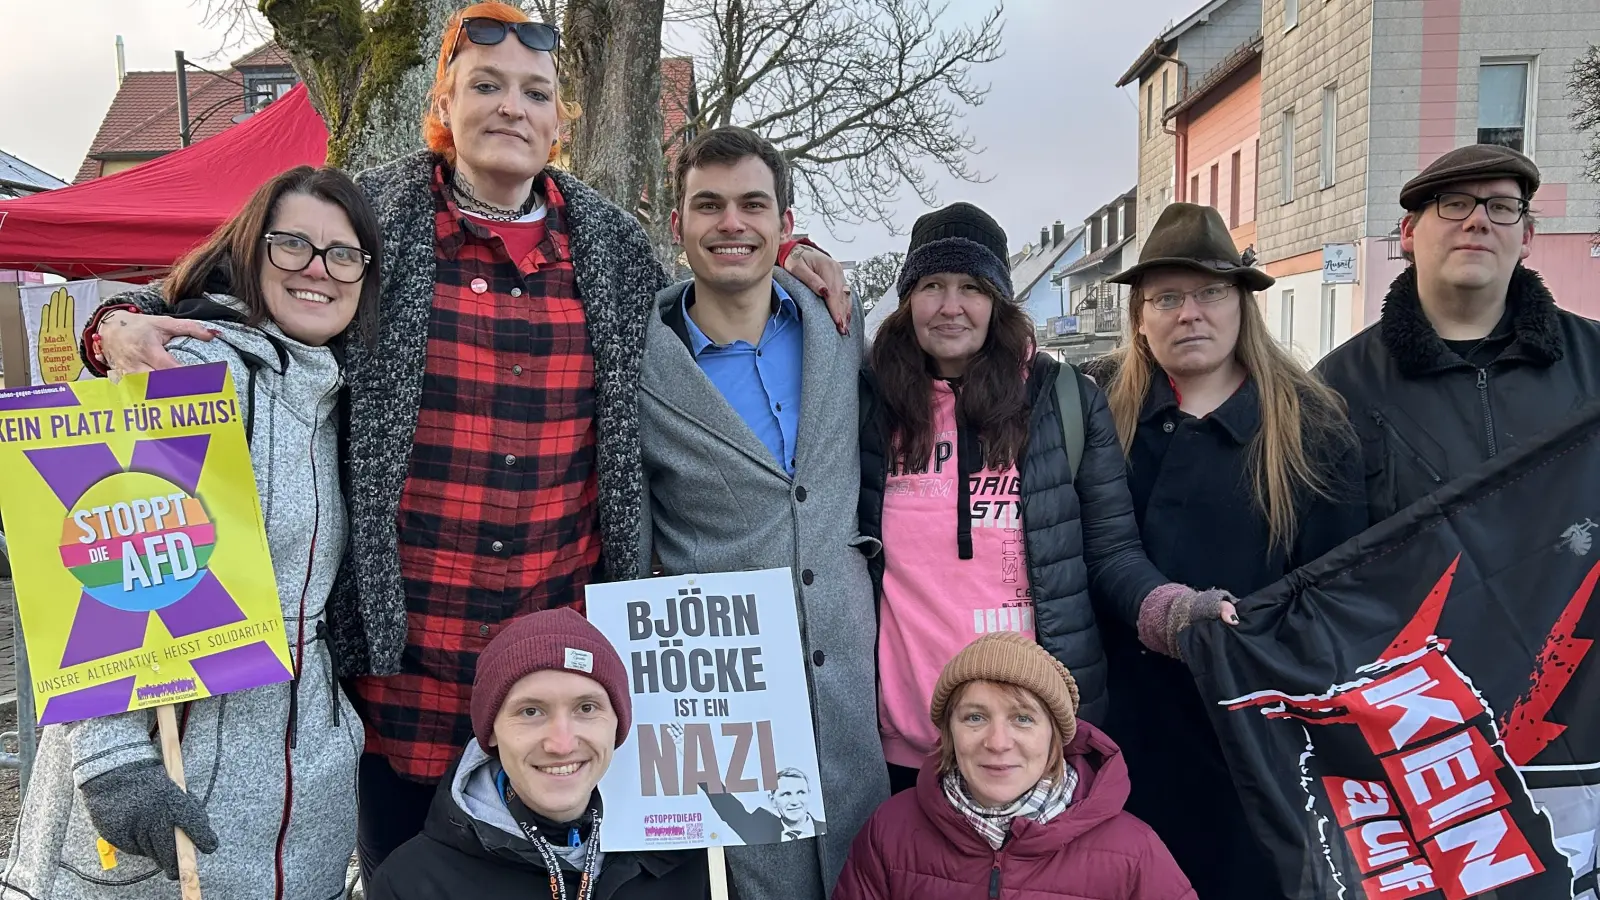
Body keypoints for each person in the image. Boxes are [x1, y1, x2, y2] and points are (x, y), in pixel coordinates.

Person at [79, 2, 850, 879]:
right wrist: (117, 324)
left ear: (563, 121)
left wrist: (793, 252)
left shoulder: (612, 247)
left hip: (559, 687)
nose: (510, 108)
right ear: (446, 97)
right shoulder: (372, 215)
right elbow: (216, 285)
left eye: (535, 91)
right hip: (404, 677)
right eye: (485, 85)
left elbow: (708, 292)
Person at [1, 166, 379, 898]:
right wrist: (111, 756)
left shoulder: (343, 392)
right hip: (174, 749)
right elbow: (99, 548)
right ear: (248, 249)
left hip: (300, 784)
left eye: (344, 254)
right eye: (292, 245)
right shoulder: (194, 368)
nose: (318, 270)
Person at [857, 202, 1236, 796]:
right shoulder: (869, 406)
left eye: (972, 287)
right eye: (932, 285)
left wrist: (1174, 612)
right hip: (904, 744)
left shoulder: (1064, 401)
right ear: (908, 300)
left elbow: (1111, 552)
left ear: (1000, 303)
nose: (951, 305)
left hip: (1035, 740)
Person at [1084, 202, 1367, 900]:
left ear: (1243, 304)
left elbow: (1338, 601)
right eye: (1168, 298)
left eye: (1211, 292)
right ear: (1140, 315)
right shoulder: (1096, 417)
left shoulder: (1311, 429)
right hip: (1120, 750)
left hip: (1254, 757)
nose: (1191, 314)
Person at [638, 125, 885, 899]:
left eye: (753, 205)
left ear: (785, 223)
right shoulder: (637, 358)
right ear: (678, 227)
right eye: (708, 206)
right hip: (721, 685)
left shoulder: (838, 327)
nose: (731, 224)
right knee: (749, 884)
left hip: (850, 676)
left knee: (862, 871)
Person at [1315, 143, 1600, 523]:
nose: (1478, 221)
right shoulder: (1335, 391)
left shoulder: (1593, 361)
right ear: (1409, 232)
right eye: (1453, 204)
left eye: (1501, 207)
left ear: (1527, 238)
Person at [366, 607, 708, 899]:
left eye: (586, 708)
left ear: (618, 725)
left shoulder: (690, 858)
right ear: (491, 732)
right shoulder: (412, 884)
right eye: (531, 711)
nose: (561, 743)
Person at [833, 631, 1196, 900]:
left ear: (1056, 737)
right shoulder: (889, 831)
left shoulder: (1133, 851)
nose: (997, 742)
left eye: (1023, 719)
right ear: (949, 733)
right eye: (975, 717)